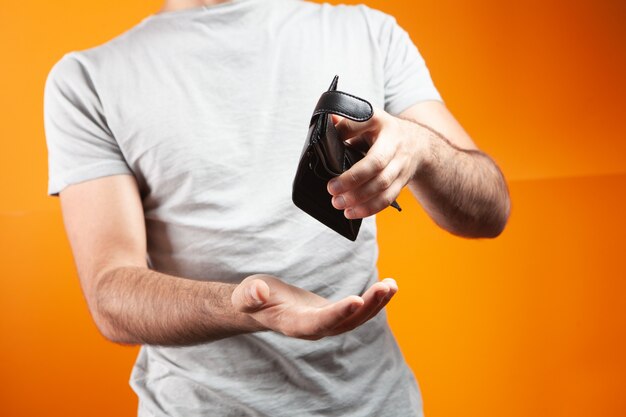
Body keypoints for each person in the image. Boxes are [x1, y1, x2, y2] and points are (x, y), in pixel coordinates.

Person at [43, 0, 510, 415]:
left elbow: (490, 209)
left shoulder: (370, 31)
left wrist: (423, 148)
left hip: (376, 401)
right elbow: (111, 294)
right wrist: (243, 306)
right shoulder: (86, 80)